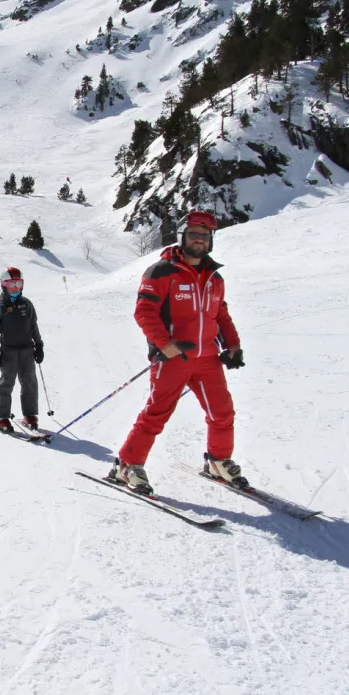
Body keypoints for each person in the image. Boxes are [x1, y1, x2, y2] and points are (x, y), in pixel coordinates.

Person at [113, 210, 247, 495]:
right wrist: (164, 344)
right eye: (194, 234)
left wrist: (232, 345)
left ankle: (218, 460)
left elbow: (220, 314)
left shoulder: (215, 278)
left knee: (222, 412)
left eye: (204, 236)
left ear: (210, 241)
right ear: (183, 236)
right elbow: (144, 312)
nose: (199, 240)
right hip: (173, 358)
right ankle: (128, 464)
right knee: (156, 414)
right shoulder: (161, 271)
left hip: (208, 359)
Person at [0, 267, 44, 431]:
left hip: (27, 349)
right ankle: (1, 416)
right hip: (9, 351)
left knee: (29, 382)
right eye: (12, 284)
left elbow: (33, 325)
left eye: (18, 284)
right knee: (7, 382)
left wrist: (39, 345)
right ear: (3, 284)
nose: (15, 288)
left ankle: (30, 415)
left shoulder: (26, 304)